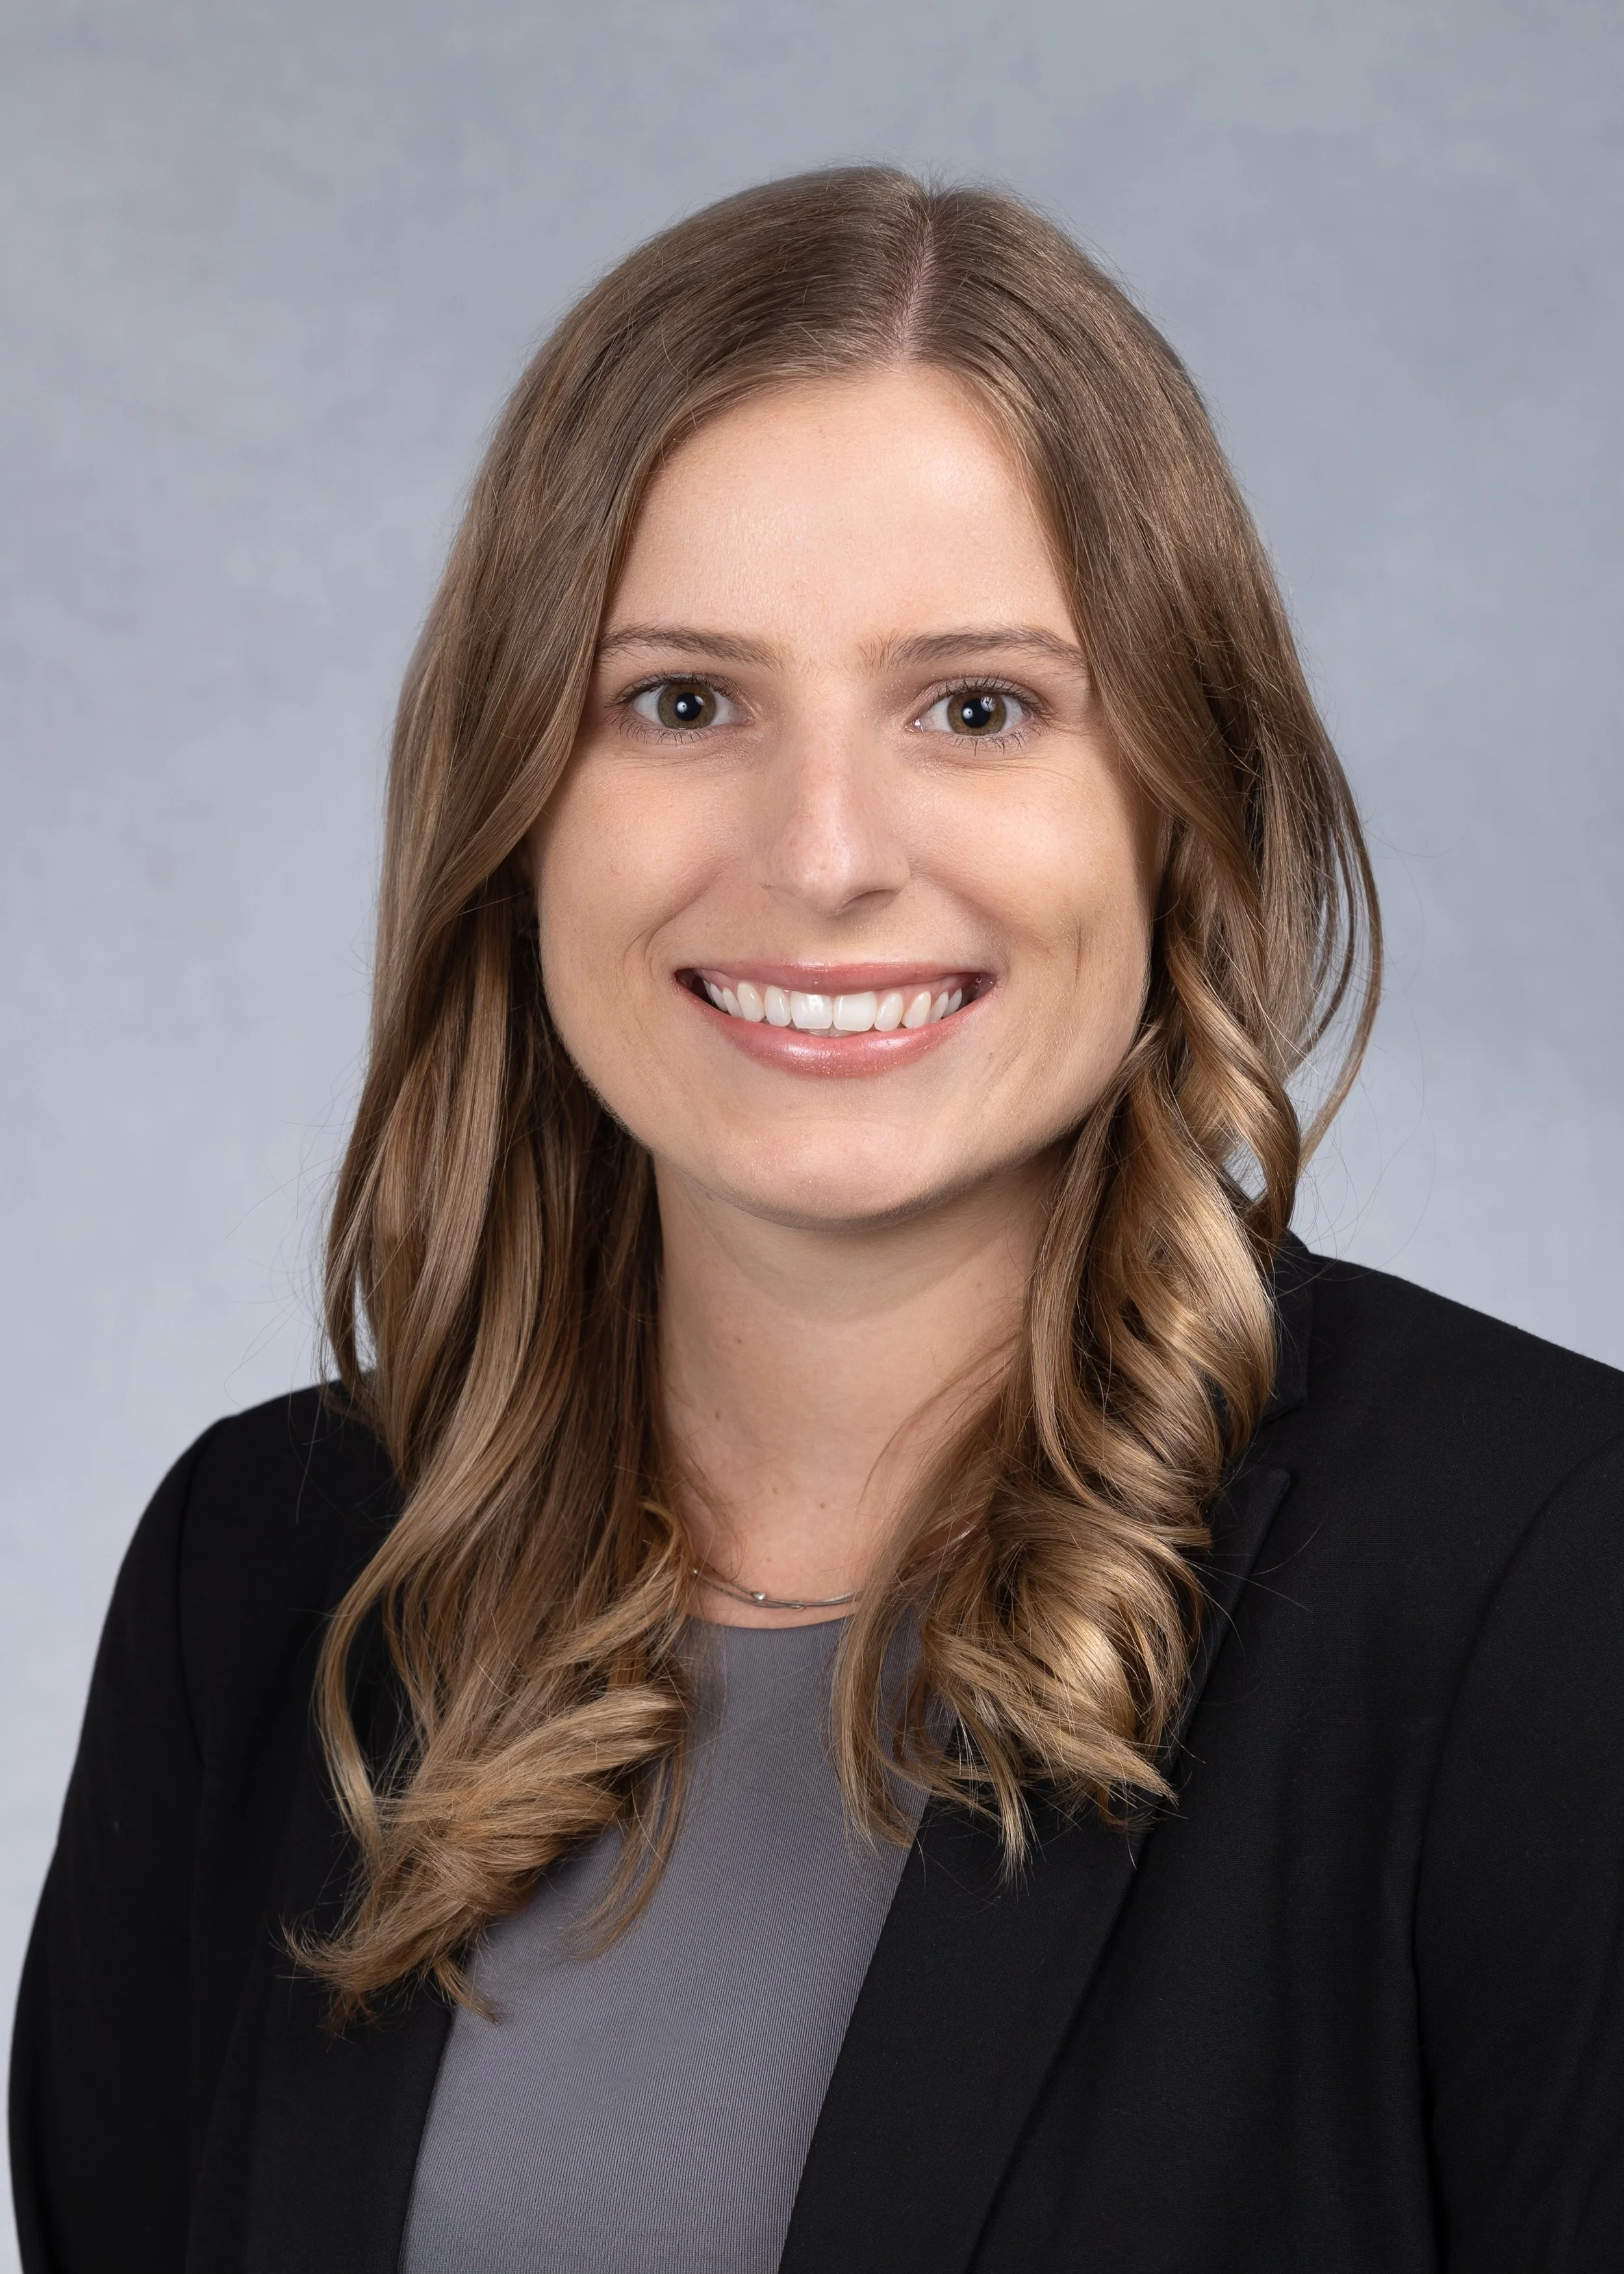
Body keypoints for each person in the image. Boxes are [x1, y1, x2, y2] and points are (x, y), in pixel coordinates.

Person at [10, 166, 1623, 2274]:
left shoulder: (1541, 1583)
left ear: (1172, 802)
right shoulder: (269, 1571)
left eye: (976, 706)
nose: (826, 852)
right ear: (516, 810)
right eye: (682, 701)